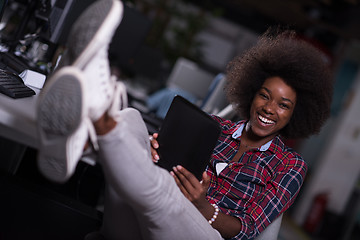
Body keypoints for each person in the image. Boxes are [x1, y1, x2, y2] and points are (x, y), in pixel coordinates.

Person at [35, 1, 333, 240]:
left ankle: (96, 119)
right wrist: (155, 152)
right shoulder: (218, 127)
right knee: (133, 119)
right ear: (252, 93)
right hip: (153, 223)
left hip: (209, 232)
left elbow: (247, 230)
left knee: (168, 193)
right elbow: (168, 164)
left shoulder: (290, 166)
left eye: (283, 105)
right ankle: (97, 122)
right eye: (264, 96)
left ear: (296, 113)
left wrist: (203, 206)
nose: (269, 108)